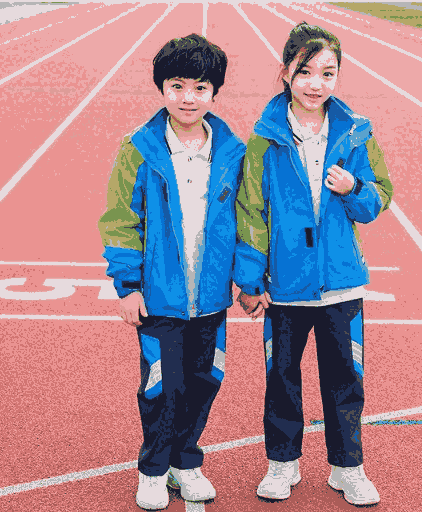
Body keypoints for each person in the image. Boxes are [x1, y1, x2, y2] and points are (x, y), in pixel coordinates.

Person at [235, 22, 393, 506]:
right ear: (285, 73)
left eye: (327, 72)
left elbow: (380, 197)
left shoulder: (356, 132)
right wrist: (248, 278)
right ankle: (282, 463)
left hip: (341, 286)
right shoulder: (264, 137)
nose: (315, 83)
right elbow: (250, 210)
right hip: (284, 286)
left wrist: (355, 190)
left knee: (345, 381)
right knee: (282, 378)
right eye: (304, 71)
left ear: (338, 77)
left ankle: (348, 468)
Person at [98, 34, 245, 510]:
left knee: (205, 380)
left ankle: (187, 460)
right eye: (177, 85)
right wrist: (127, 287)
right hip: (159, 295)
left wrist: (250, 279)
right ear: (161, 88)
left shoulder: (231, 150)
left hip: (210, 296)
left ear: (214, 93)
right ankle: (154, 469)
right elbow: (121, 219)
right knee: (162, 385)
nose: (188, 98)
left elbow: (249, 219)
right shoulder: (138, 149)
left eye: (200, 87)